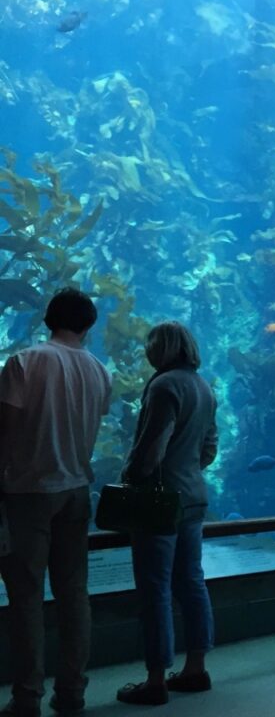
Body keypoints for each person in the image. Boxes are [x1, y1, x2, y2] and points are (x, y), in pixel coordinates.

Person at [0, 288, 111, 717]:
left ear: (48, 319)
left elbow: (5, 431)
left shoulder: (24, 363)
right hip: (77, 491)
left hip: (28, 491)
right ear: (88, 325)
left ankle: (27, 696)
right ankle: (73, 693)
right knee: (73, 594)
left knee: (26, 596)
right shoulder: (100, 372)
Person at [114, 322, 218, 706]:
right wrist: (187, 468)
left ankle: (155, 678)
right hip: (193, 496)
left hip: (160, 502)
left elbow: (152, 448)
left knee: (155, 589)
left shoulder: (163, 386)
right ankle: (195, 668)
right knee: (191, 581)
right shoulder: (204, 386)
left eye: (150, 345)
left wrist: (132, 476)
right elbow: (209, 448)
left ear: (162, 349)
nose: (147, 352)